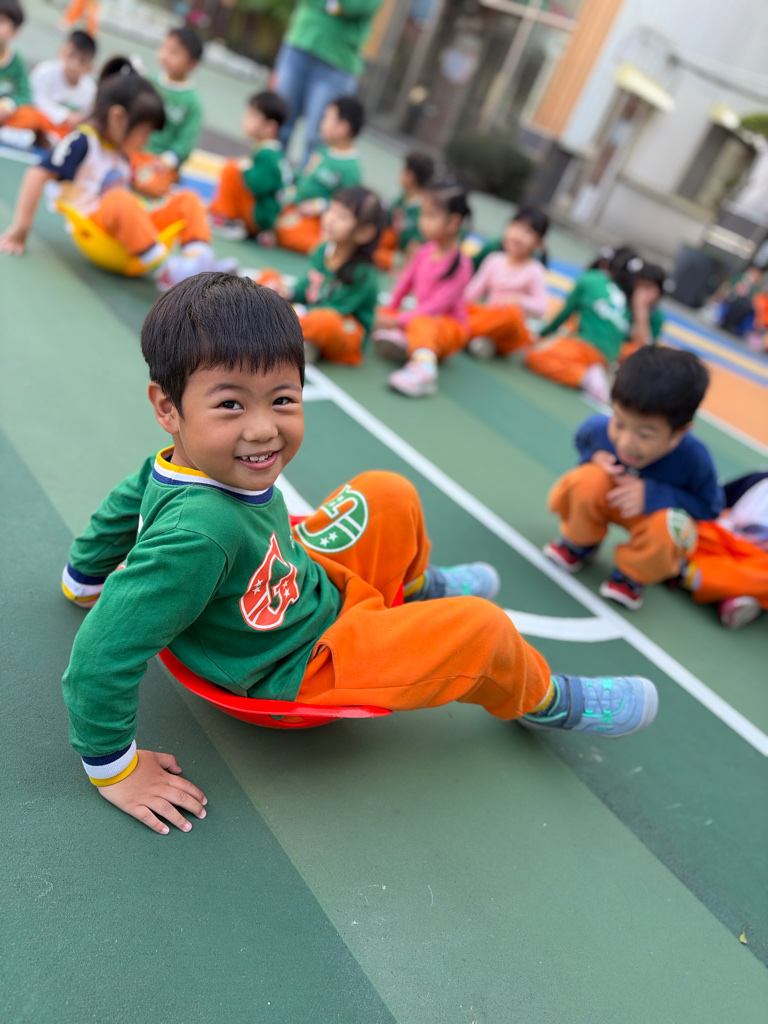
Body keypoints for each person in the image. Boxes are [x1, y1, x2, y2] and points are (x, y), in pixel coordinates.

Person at [59, 273, 659, 835]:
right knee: (480, 630)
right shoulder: (199, 534)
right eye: (231, 405)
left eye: (283, 400)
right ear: (167, 407)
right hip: (296, 664)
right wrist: (116, 769)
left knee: (386, 493)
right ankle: (543, 698)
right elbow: (99, 655)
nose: (263, 428)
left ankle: (413, 589)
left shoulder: (177, 465)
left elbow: (122, 508)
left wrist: (82, 576)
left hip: (296, 584)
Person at [0, 57, 228, 288]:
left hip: (131, 233)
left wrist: (151, 183)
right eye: (145, 133)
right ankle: (167, 271)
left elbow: (136, 185)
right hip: (98, 234)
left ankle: (202, 263)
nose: (147, 141)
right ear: (118, 118)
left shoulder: (123, 152)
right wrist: (20, 230)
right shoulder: (83, 142)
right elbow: (36, 175)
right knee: (120, 199)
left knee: (188, 199)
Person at [543, 346, 724, 611]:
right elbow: (583, 440)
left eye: (645, 434)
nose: (626, 442)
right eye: (619, 422)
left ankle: (632, 574)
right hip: (609, 499)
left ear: (679, 432)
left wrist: (652, 495)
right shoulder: (598, 428)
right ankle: (581, 541)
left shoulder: (694, 458)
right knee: (586, 479)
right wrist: (594, 457)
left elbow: (710, 507)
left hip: (651, 520)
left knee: (674, 526)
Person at [372, 178, 474, 398]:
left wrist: (398, 321)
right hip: (421, 318)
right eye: (423, 214)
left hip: (448, 329)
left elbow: (436, 307)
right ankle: (407, 340)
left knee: (421, 322)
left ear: (453, 222)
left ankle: (424, 371)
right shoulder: (425, 251)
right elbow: (403, 285)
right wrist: (389, 312)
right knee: (380, 314)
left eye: (431, 215)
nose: (422, 221)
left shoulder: (462, 264)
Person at [261, 186, 385, 365]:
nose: (330, 219)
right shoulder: (322, 250)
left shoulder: (363, 273)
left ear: (363, 233)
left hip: (345, 334)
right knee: (268, 276)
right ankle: (303, 342)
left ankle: (281, 329)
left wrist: (292, 310)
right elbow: (304, 289)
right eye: (331, 210)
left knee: (325, 321)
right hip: (309, 313)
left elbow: (334, 310)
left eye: (341, 216)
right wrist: (287, 292)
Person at [274, 0, 381, 163]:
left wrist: (330, 6)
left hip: (337, 63)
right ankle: (271, 176)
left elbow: (355, 6)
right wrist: (334, 7)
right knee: (279, 123)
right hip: (299, 46)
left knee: (318, 137)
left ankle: (307, 180)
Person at [526, 248, 637, 403]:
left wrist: (542, 334)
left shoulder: (591, 279)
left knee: (535, 357)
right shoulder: (629, 299)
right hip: (607, 357)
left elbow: (563, 314)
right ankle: (591, 373)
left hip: (585, 345)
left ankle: (584, 377)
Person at [274, 95, 364, 254]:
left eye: (326, 119)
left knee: (288, 232)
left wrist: (319, 205)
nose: (321, 124)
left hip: (315, 220)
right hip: (293, 206)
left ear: (342, 127)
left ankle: (324, 248)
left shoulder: (351, 167)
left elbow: (347, 205)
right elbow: (301, 176)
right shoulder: (322, 150)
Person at [681, 472, 768, 629]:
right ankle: (732, 593)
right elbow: (714, 501)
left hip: (757, 560)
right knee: (687, 524)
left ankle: (684, 570)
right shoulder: (761, 479)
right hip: (721, 539)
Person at [464, 207, 550, 360]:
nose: (518, 236)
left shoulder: (534, 270)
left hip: (508, 330)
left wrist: (520, 300)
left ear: (538, 243)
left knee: (512, 314)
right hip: (489, 318)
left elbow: (541, 307)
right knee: (467, 308)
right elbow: (471, 294)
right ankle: (479, 339)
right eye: (515, 227)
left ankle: (465, 331)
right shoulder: (494, 260)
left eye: (528, 232)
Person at [131, 27, 204, 199]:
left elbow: (186, 142)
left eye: (174, 52)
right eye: (164, 48)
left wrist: (167, 160)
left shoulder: (192, 102)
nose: (165, 55)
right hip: (134, 150)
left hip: (159, 163)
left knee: (151, 184)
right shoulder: (150, 81)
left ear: (191, 64)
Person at [209, 90, 291, 243]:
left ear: (270, 128)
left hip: (260, 216)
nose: (245, 120)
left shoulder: (267, 154)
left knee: (231, 168)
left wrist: (244, 167)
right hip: (265, 214)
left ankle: (225, 220)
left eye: (252, 116)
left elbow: (255, 185)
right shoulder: (272, 152)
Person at [374, 150, 434, 271]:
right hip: (389, 250)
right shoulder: (401, 200)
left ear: (411, 176)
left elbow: (414, 249)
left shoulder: (424, 210)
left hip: (405, 260)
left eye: (404, 171)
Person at [29, 30, 96, 139]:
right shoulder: (43, 72)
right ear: (63, 52)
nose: (74, 65)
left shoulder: (91, 89)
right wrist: (64, 116)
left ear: (90, 68)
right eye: (71, 56)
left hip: (68, 135)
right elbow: (36, 102)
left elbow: (86, 119)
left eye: (82, 61)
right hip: (38, 127)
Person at [620, 262, 666, 361]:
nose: (641, 293)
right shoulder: (621, 302)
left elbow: (644, 347)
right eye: (639, 286)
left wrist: (641, 310)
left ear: (659, 292)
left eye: (648, 287)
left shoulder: (656, 317)